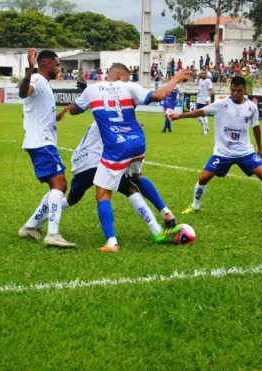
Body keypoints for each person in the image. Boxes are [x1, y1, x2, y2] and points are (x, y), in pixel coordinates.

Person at [67, 64, 189, 252]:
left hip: (116, 147)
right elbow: (158, 96)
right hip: (137, 142)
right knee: (135, 177)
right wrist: (176, 79)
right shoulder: (130, 87)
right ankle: (165, 213)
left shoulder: (92, 90)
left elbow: (74, 110)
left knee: (102, 194)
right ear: (120, 75)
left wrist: (74, 107)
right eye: (128, 76)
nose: (129, 78)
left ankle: (111, 243)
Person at [30, 121, 178, 243]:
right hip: (95, 162)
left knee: (72, 198)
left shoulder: (101, 118)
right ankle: (156, 231)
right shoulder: (112, 118)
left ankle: (37, 222)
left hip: (80, 162)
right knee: (130, 189)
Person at [168, 76, 262, 219]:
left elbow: (256, 127)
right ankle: (194, 206)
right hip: (223, 152)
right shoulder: (221, 104)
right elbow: (201, 111)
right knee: (203, 177)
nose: (235, 93)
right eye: (233, 90)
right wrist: (179, 116)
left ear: (245, 89)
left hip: (245, 151)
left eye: (239, 91)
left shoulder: (251, 107)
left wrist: (260, 148)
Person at [17, 48, 75, 248]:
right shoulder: (37, 79)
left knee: (56, 186)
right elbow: (23, 93)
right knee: (60, 184)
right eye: (57, 64)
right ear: (47, 64)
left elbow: (34, 112)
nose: (59, 68)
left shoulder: (45, 84)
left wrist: (56, 117)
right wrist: (30, 69)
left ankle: (30, 226)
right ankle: (52, 234)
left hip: (41, 142)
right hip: (42, 143)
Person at [196, 69, 214, 135]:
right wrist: (198, 76)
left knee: (203, 115)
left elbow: (211, 90)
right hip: (199, 99)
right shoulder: (200, 80)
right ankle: (206, 127)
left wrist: (209, 97)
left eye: (204, 73)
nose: (203, 74)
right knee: (197, 115)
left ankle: (205, 131)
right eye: (202, 73)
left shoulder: (208, 81)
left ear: (207, 74)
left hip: (204, 100)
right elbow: (195, 83)